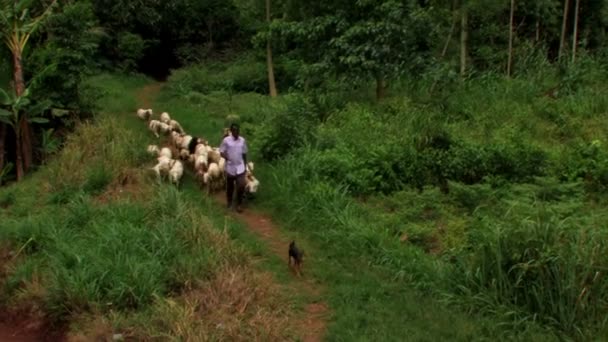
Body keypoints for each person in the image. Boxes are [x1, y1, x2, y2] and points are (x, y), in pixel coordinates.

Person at [219, 123, 248, 213]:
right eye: (235, 131)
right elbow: (221, 151)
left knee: (241, 185)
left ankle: (239, 204)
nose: (237, 132)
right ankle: (229, 202)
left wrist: (245, 165)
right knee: (230, 186)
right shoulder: (226, 141)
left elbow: (244, 153)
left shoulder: (242, 140)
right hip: (230, 167)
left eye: (238, 130)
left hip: (240, 166)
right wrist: (227, 158)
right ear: (231, 131)